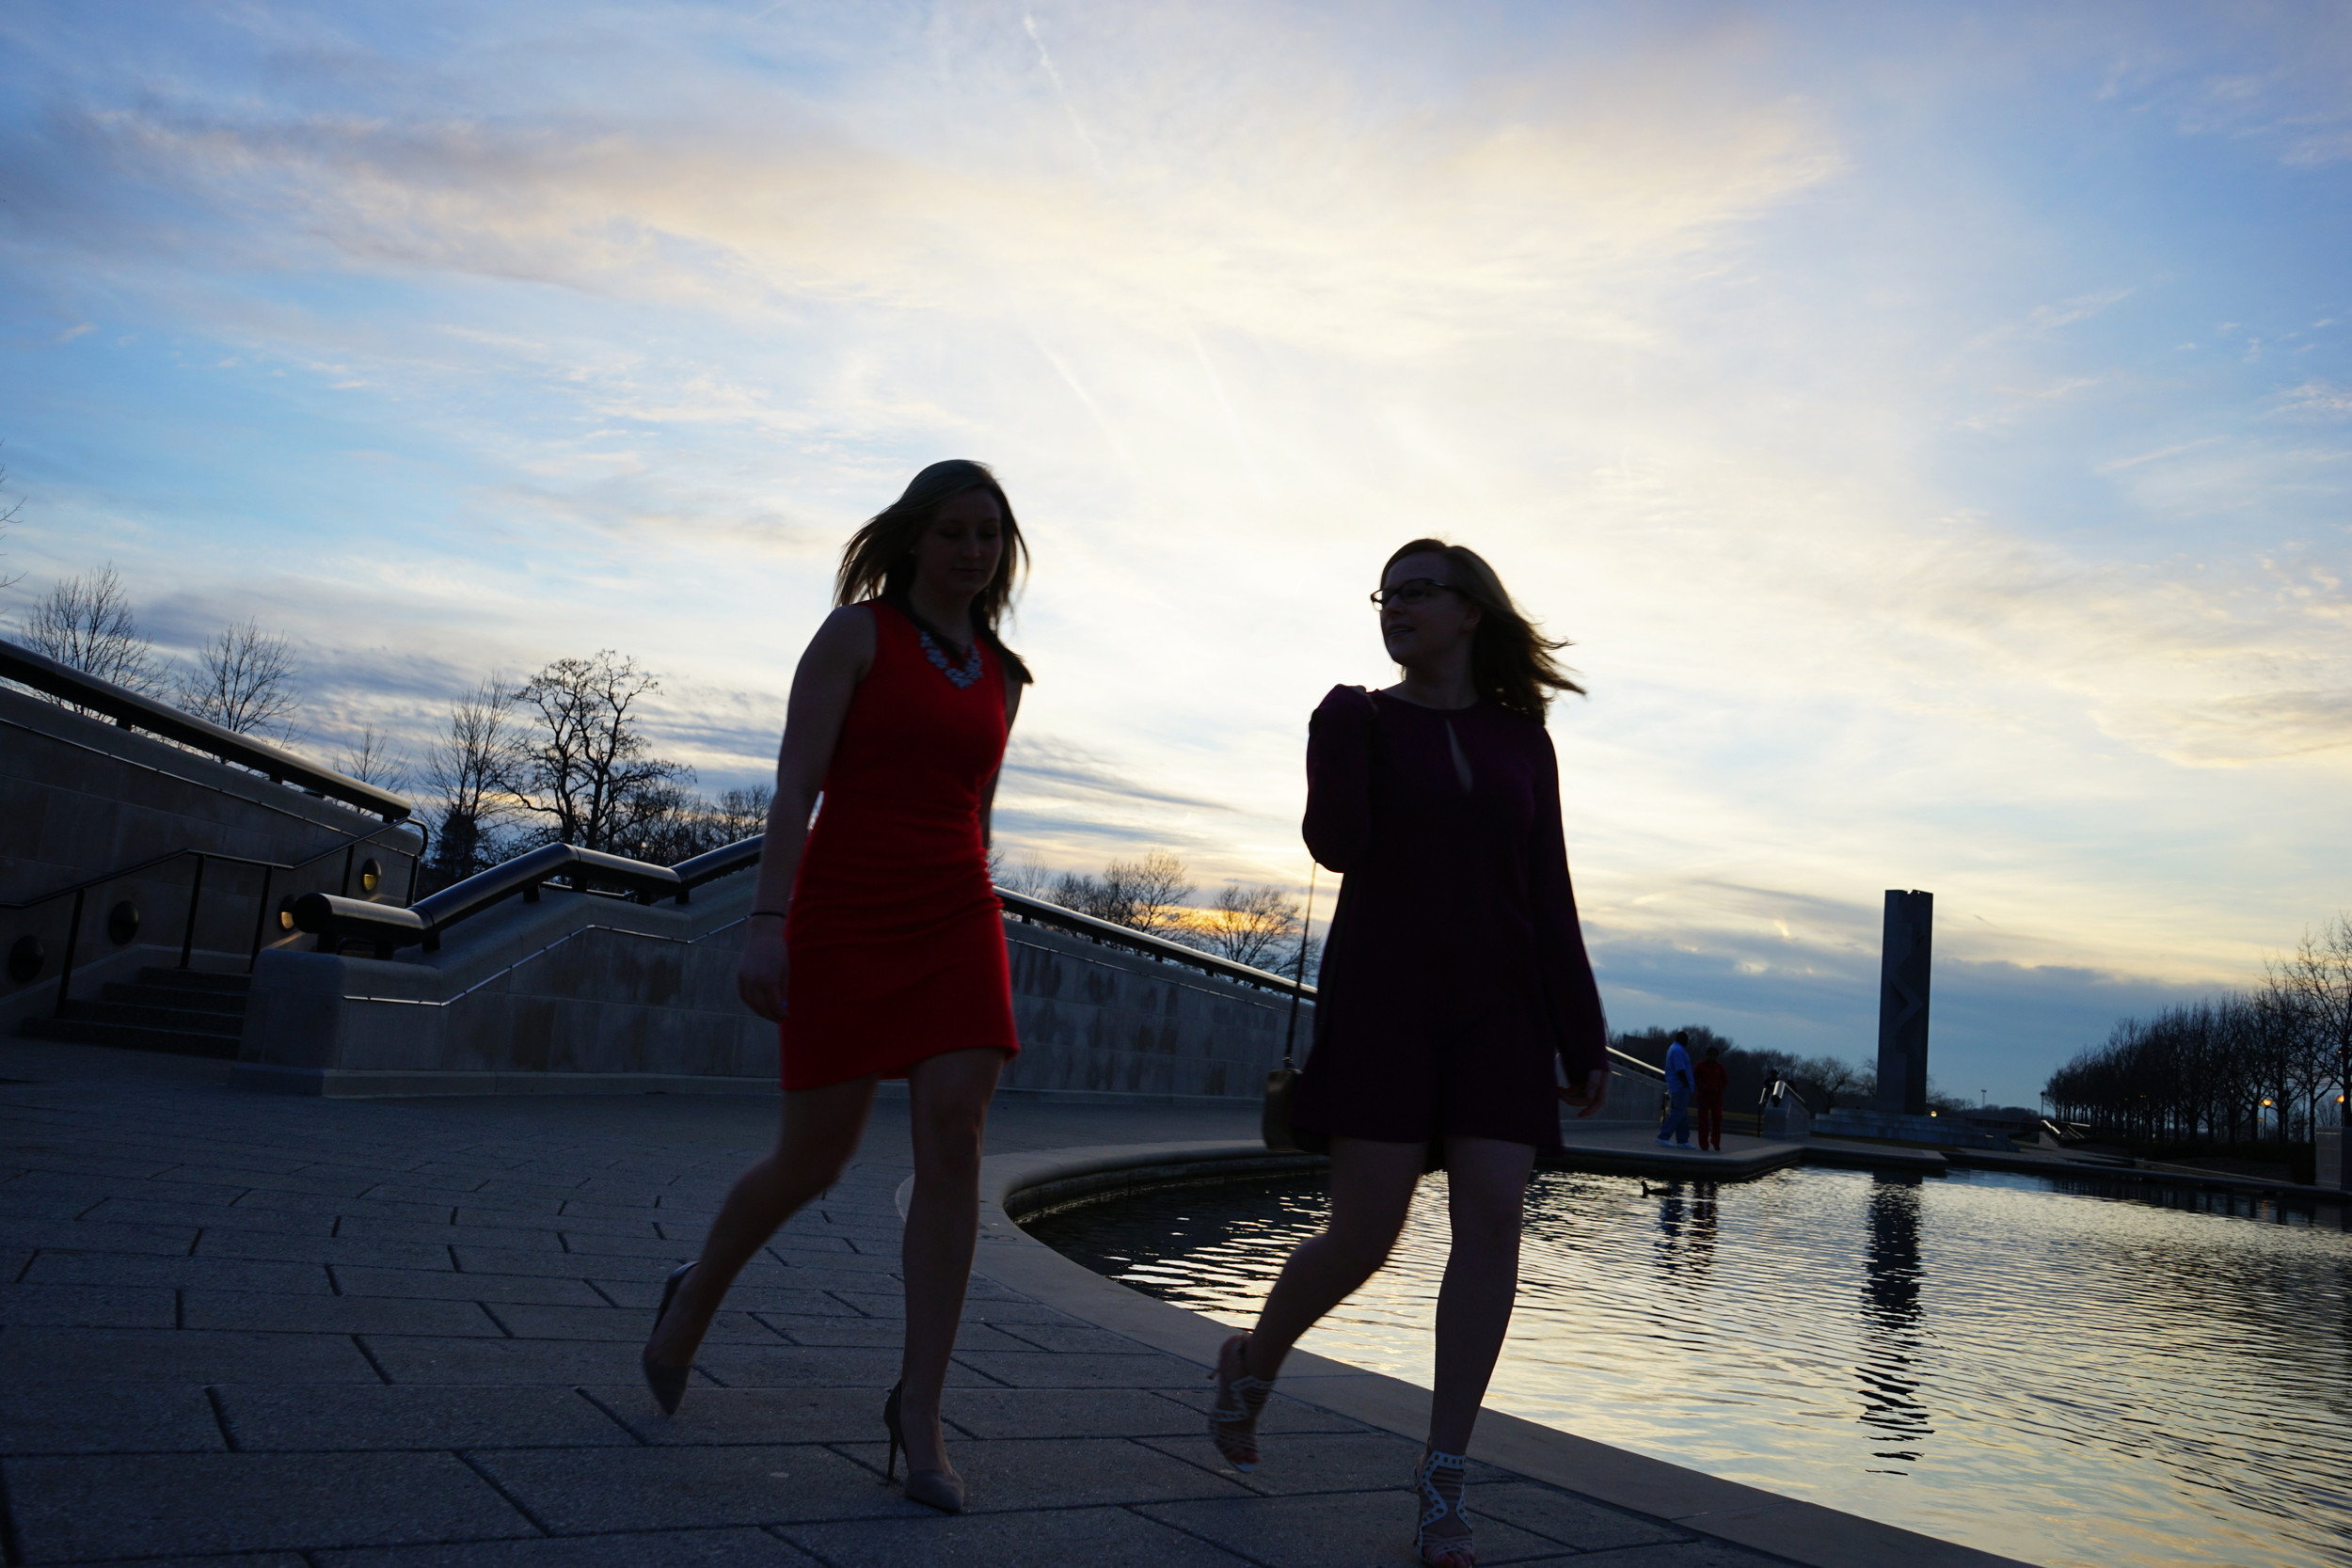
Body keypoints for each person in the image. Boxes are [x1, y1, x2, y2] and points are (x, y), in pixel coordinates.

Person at [639, 460, 1032, 1515]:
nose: (971, 549)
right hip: (846, 906)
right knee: (817, 1153)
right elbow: (796, 784)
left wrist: (981, 908)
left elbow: (975, 812)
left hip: (957, 909)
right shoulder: (856, 635)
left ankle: (920, 1409)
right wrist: (766, 922)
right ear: (912, 538)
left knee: (955, 1135)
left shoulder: (1003, 673)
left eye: (988, 534)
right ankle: (692, 1298)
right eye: (952, 529)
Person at [1211, 539, 1610, 1568]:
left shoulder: (1527, 741)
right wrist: (1339, 730)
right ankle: (1253, 1360)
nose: (1394, 607)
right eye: (1384, 595)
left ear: (1470, 610)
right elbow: (1334, 844)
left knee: (1490, 1225)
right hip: (1387, 1001)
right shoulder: (1360, 715)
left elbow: (1549, 887)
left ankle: (1442, 1481)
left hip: (1502, 1010)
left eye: (1415, 591)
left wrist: (1581, 1026)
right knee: (1363, 1235)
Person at [1658, 1031, 1693, 1148]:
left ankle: (1683, 1139)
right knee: (1678, 1112)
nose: (1687, 1042)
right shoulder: (1678, 1051)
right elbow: (1680, 1070)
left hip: (1677, 1085)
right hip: (1680, 1086)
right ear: (1683, 1039)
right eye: (1686, 1039)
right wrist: (1686, 1084)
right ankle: (1664, 1136)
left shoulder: (1673, 1049)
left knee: (1682, 1113)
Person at [1693, 1043, 1730, 1152]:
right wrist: (1701, 1085)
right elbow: (1694, 1078)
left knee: (1718, 1119)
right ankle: (1704, 1143)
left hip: (1716, 1096)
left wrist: (1719, 1087)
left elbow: (1725, 1081)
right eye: (1710, 1055)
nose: (1712, 1058)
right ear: (1707, 1055)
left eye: (1714, 1055)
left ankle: (1715, 1140)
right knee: (1703, 1121)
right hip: (1703, 1096)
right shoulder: (1700, 1066)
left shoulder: (1720, 1067)